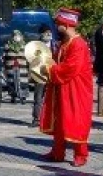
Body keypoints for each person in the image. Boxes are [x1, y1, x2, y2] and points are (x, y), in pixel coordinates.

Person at [38, 9, 93, 166]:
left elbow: (70, 67)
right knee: (59, 119)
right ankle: (58, 151)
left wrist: (50, 69)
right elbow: (57, 62)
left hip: (76, 89)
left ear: (66, 24)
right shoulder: (64, 43)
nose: (56, 26)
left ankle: (81, 154)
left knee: (76, 119)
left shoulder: (79, 44)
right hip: (62, 87)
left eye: (58, 23)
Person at [31, 26, 55, 128]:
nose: (49, 34)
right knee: (38, 98)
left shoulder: (55, 45)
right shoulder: (36, 45)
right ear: (41, 34)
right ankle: (36, 119)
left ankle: (51, 119)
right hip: (40, 75)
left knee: (52, 97)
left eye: (50, 32)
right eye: (46, 32)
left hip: (52, 74)